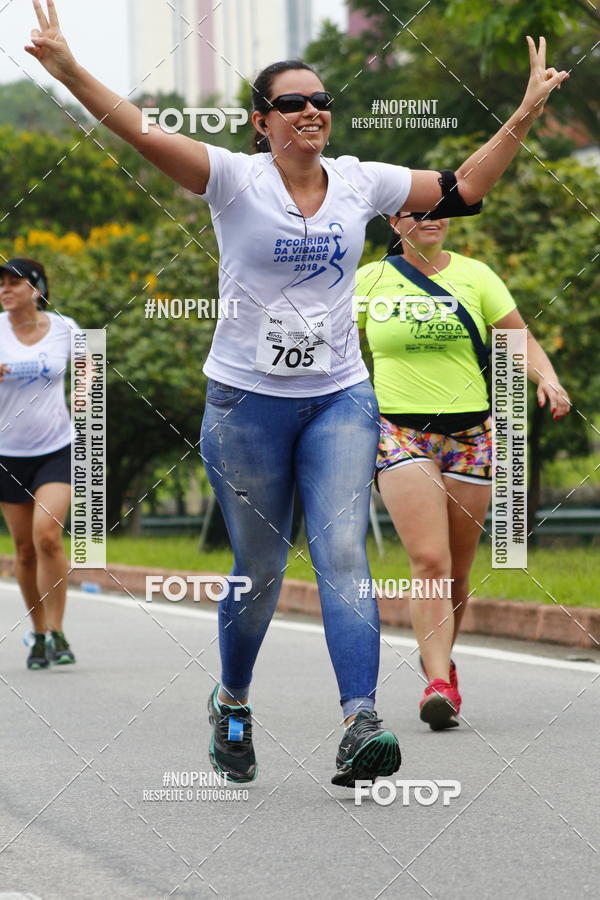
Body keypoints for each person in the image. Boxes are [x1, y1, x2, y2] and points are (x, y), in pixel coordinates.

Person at [26, 0, 568, 783]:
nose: (312, 111)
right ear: (261, 120)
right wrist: (71, 68)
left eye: (322, 101)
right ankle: (235, 702)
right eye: (293, 102)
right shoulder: (233, 179)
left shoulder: (360, 183)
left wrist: (521, 115)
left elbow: (462, 188)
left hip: (340, 398)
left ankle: (360, 723)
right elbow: (141, 132)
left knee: (344, 554)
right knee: (261, 571)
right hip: (246, 404)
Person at [355, 213, 570, 729]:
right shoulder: (369, 280)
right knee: (429, 560)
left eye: (440, 209)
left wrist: (548, 380)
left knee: (457, 571)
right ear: (394, 218)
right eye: (418, 211)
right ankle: (435, 683)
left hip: (472, 437)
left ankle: (443, 664)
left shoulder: (477, 276)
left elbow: (518, 340)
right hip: (400, 434)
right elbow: (332, 348)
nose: (432, 219)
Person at [0, 258, 79, 669]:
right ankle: (39, 632)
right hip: (7, 454)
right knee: (25, 551)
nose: (5, 290)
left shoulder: (67, 330)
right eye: (2, 284)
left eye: (14, 283)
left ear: (37, 288)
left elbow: (90, 382)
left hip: (56, 448)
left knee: (47, 535)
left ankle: (59, 629)